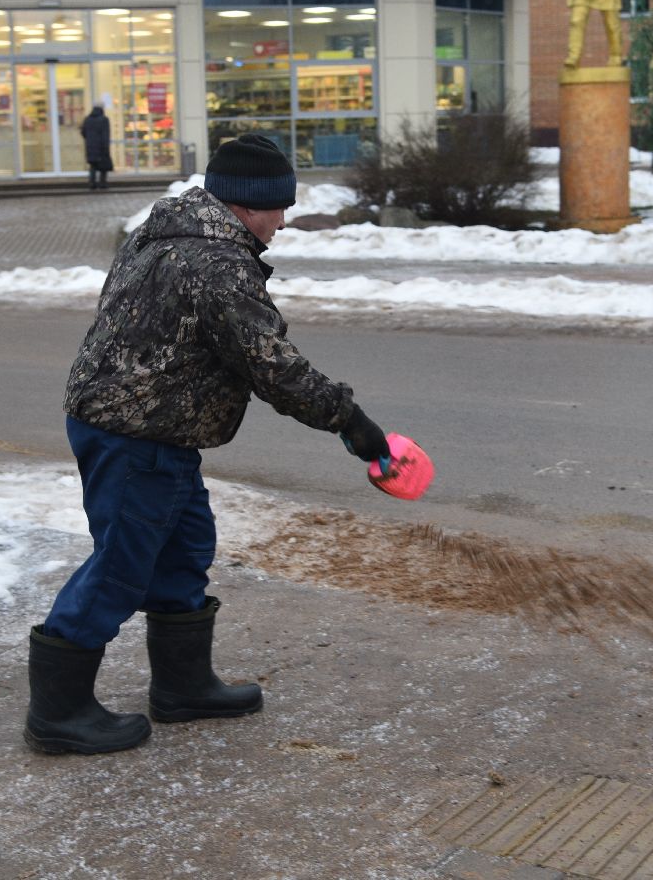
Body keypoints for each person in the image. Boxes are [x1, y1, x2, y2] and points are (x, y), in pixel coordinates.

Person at [24, 133, 394, 755]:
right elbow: (272, 366)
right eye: (279, 207)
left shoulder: (166, 232)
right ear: (248, 204)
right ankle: (57, 712)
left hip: (144, 427)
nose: (284, 220)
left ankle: (183, 686)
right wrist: (353, 423)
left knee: (185, 547)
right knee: (121, 568)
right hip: (137, 432)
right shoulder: (213, 264)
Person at [80, 106, 112, 189]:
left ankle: (92, 183)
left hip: (90, 147)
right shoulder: (104, 120)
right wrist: (106, 147)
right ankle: (103, 183)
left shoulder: (87, 119)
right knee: (103, 167)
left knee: (93, 166)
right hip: (101, 146)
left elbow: (83, 132)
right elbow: (106, 134)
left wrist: (89, 139)